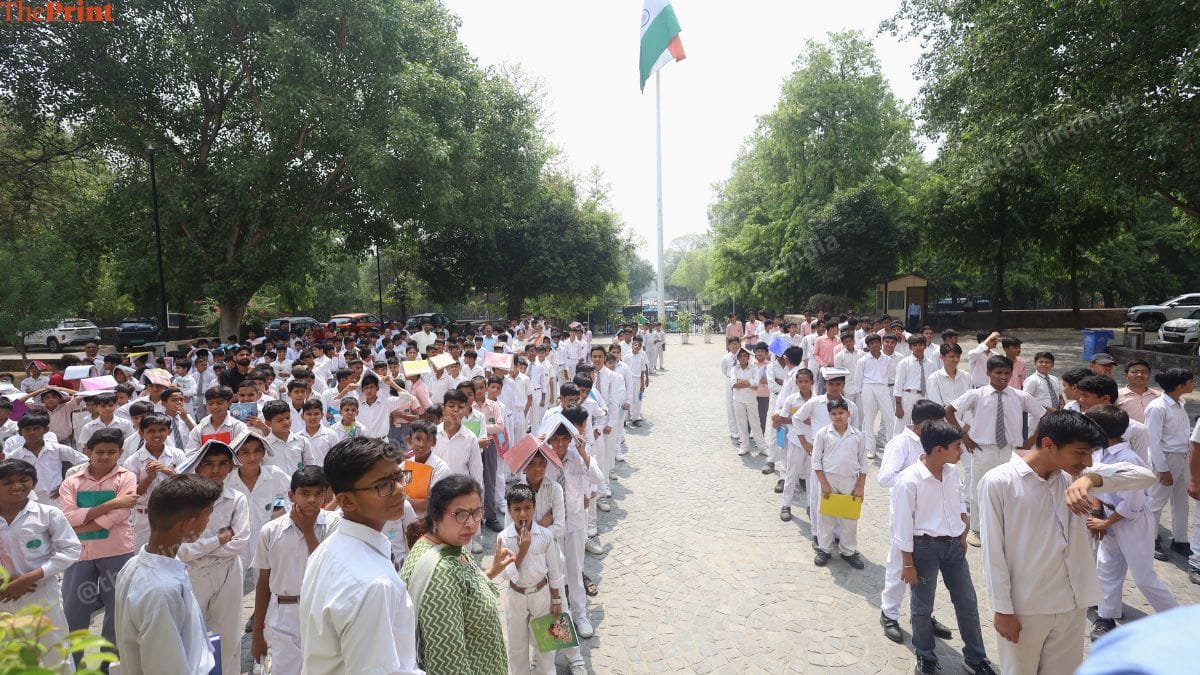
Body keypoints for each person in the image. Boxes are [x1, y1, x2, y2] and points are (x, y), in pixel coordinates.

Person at [978, 410, 1157, 675]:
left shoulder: (1074, 477)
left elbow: (1145, 476)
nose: (1086, 461)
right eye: (1081, 452)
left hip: (1072, 603)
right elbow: (993, 553)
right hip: (1027, 608)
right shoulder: (999, 482)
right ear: (1049, 444)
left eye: (1090, 454)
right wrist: (1002, 610)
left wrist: (1092, 478)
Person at [300, 437, 422, 674]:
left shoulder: (328, 549)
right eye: (383, 485)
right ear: (346, 500)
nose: (399, 490)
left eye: (398, 477)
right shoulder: (373, 584)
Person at [894, 421, 997, 675]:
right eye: (957, 447)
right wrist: (907, 563)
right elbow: (902, 525)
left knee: (967, 602)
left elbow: (958, 499)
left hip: (953, 548)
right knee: (922, 606)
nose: (961, 451)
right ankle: (925, 655)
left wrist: (963, 528)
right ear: (939, 450)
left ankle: (975, 657)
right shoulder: (909, 481)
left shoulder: (951, 472)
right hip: (924, 548)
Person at [1082, 405, 1179, 640]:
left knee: (1144, 577)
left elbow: (1133, 503)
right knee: (1107, 567)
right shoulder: (1099, 452)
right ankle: (1106, 616)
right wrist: (1099, 515)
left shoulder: (1128, 459)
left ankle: (1178, 619)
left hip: (1131, 521)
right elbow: (1096, 486)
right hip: (1110, 516)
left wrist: (1107, 523)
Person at [401, 475, 514, 675]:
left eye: (477, 512)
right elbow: (449, 664)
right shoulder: (441, 574)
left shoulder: (447, 543)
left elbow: (463, 594)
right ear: (436, 516)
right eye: (460, 514)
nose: (471, 523)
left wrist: (491, 572)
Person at [114, 473, 221, 674]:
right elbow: (164, 666)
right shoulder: (161, 591)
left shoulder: (135, 564)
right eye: (208, 514)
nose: (209, 521)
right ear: (188, 524)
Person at [945, 356, 1049, 546]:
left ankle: (1007, 529)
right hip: (983, 449)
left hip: (1012, 450)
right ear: (988, 373)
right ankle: (977, 529)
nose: (1003, 377)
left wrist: (1030, 441)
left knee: (1012, 490)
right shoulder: (976, 394)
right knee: (980, 489)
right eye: (998, 372)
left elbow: (1043, 415)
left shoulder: (1020, 396)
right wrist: (963, 436)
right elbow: (949, 410)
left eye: (1006, 373)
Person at [250, 465, 341, 675]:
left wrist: (308, 531)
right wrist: (257, 633)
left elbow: (327, 566)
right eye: (305, 494)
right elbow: (263, 583)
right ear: (292, 495)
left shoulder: (334, 524)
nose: (311, 500)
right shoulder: (271, 531)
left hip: (322, 610)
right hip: (284, 613)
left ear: (326, 495)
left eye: (318, 494)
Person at [878, 400, 955, 644]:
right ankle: (889, 613)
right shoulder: (900, 443)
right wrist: (917, 476)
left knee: (926, 571)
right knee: (899, 565)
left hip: (929, 515)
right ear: (924, 425)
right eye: (938, 423)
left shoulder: (930, 441)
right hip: (905, 512)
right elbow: (885, 478)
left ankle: (923, 614)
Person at [59, 428, 138, 660]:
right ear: (88, 452)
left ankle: (109, 663)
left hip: (117, 551)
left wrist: (83, 526)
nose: (105, 457)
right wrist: (109, 504)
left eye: (111, 452)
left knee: (117, 610)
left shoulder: (127, 477)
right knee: (74, 610)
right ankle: (73, 663)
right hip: (79, 554)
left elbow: (121, 514)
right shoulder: (72, 481)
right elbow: (67, 517)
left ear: (120, 453)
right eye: (100, 452)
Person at [0, 458, 82, 668]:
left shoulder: (48, 514)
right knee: (10, 654)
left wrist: (31, 577)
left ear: (34, 483)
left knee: (54, 652)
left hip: (41, 595)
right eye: (7, 482)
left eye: (23, 480)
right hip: (3, 598)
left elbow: (71, 549)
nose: (17, 486)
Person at [178, 438, 250, 675]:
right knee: (189, 631)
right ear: (198, 466)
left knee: (229, 634)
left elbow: (240, 542)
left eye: (222, 463)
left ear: (231, 467)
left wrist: (203, 546)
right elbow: (183, 550)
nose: (216, 470)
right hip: (192, 571)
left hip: (228, 570)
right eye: (209, 463)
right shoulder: (185, 501)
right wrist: (219, 539)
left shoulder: (236, 498)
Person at [500, 482, 564, 675]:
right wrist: (523, 550)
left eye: (527, 508)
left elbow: (554, 570)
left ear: (534, 508)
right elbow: (505, 574)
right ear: (509, 512)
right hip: (516, 596)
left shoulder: (545, 535)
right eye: (517, 509)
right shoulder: (504, 538)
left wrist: (557, 599)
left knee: (545, 645)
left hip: (541, 595)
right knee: (517, 647)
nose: (522, 515)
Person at [1145, 368, 1194, 559]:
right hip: (1165, 457)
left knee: (1181, 500)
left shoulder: (1179, 403)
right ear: (1180, 385)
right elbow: (1153, 440)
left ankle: (1180, 539)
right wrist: (1163, 468)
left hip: (1182, 455)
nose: (1193, 384)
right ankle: (1150, 539)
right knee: (1156, 501)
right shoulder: (1158, 407)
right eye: (1190, 381)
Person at [812, 399, 868, 569]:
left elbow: (863, 464)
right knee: (826, 517)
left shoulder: (857, 436)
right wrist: (824, 484)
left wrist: (860, 486)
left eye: (841, 413)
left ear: (848, 413)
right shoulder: (823, 434)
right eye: (834, 414)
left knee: (849, 518)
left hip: (850, 481)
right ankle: (825, 549)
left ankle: (848, 551)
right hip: (829, 480)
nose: (838, 417)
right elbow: (816, 462)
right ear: (829, 415)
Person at [122, 413, 187, 548]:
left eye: (161, 430)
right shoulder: (132, 461)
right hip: (144, 517)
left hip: (174, 513)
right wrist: (148, 479)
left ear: (169, 431)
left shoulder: (178, 455)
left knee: (173, 552)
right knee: (143, 553)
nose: (156, 435)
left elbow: (187, 483)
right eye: (151, 431)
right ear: (141, 433)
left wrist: (168, 471)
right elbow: (132, 494)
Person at [730, 347, 765, 457]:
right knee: (741, 423)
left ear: (748, 357)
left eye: (745, 356)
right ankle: (744, 446)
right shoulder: (734, 369)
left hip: (751, 400)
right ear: (738, 358)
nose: (743, 358)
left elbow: (756, 383)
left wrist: (742, 381)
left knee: (755, 423)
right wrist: (749, 384)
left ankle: (762, 447)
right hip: (738, 399)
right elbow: (733, 384)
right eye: (741, 356)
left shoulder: (754, 368)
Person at [1117, 359, 1159, 423]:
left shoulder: (1158, 396)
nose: (1140, 374)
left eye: (1144, 372)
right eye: (1135, 372)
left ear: (1149, 375)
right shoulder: (1117, 395)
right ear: (1126, 375)